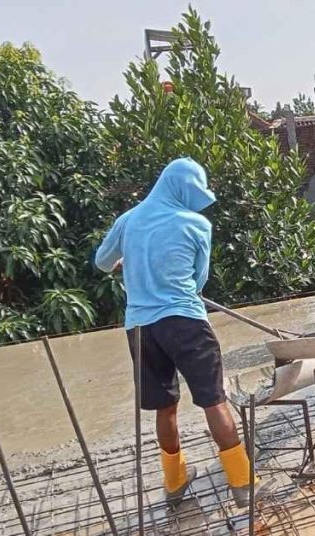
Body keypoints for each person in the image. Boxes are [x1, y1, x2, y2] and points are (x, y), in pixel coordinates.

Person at [95, 157, 257, 509]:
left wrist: (124, 265)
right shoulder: (196, 224)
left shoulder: (128, 221)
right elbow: (198, 282)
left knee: (165, 408)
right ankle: (242, 482)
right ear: (182, 189)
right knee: (214, 401)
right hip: (185, 321)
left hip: (140, 328)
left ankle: (175, 481)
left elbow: (102, 262)